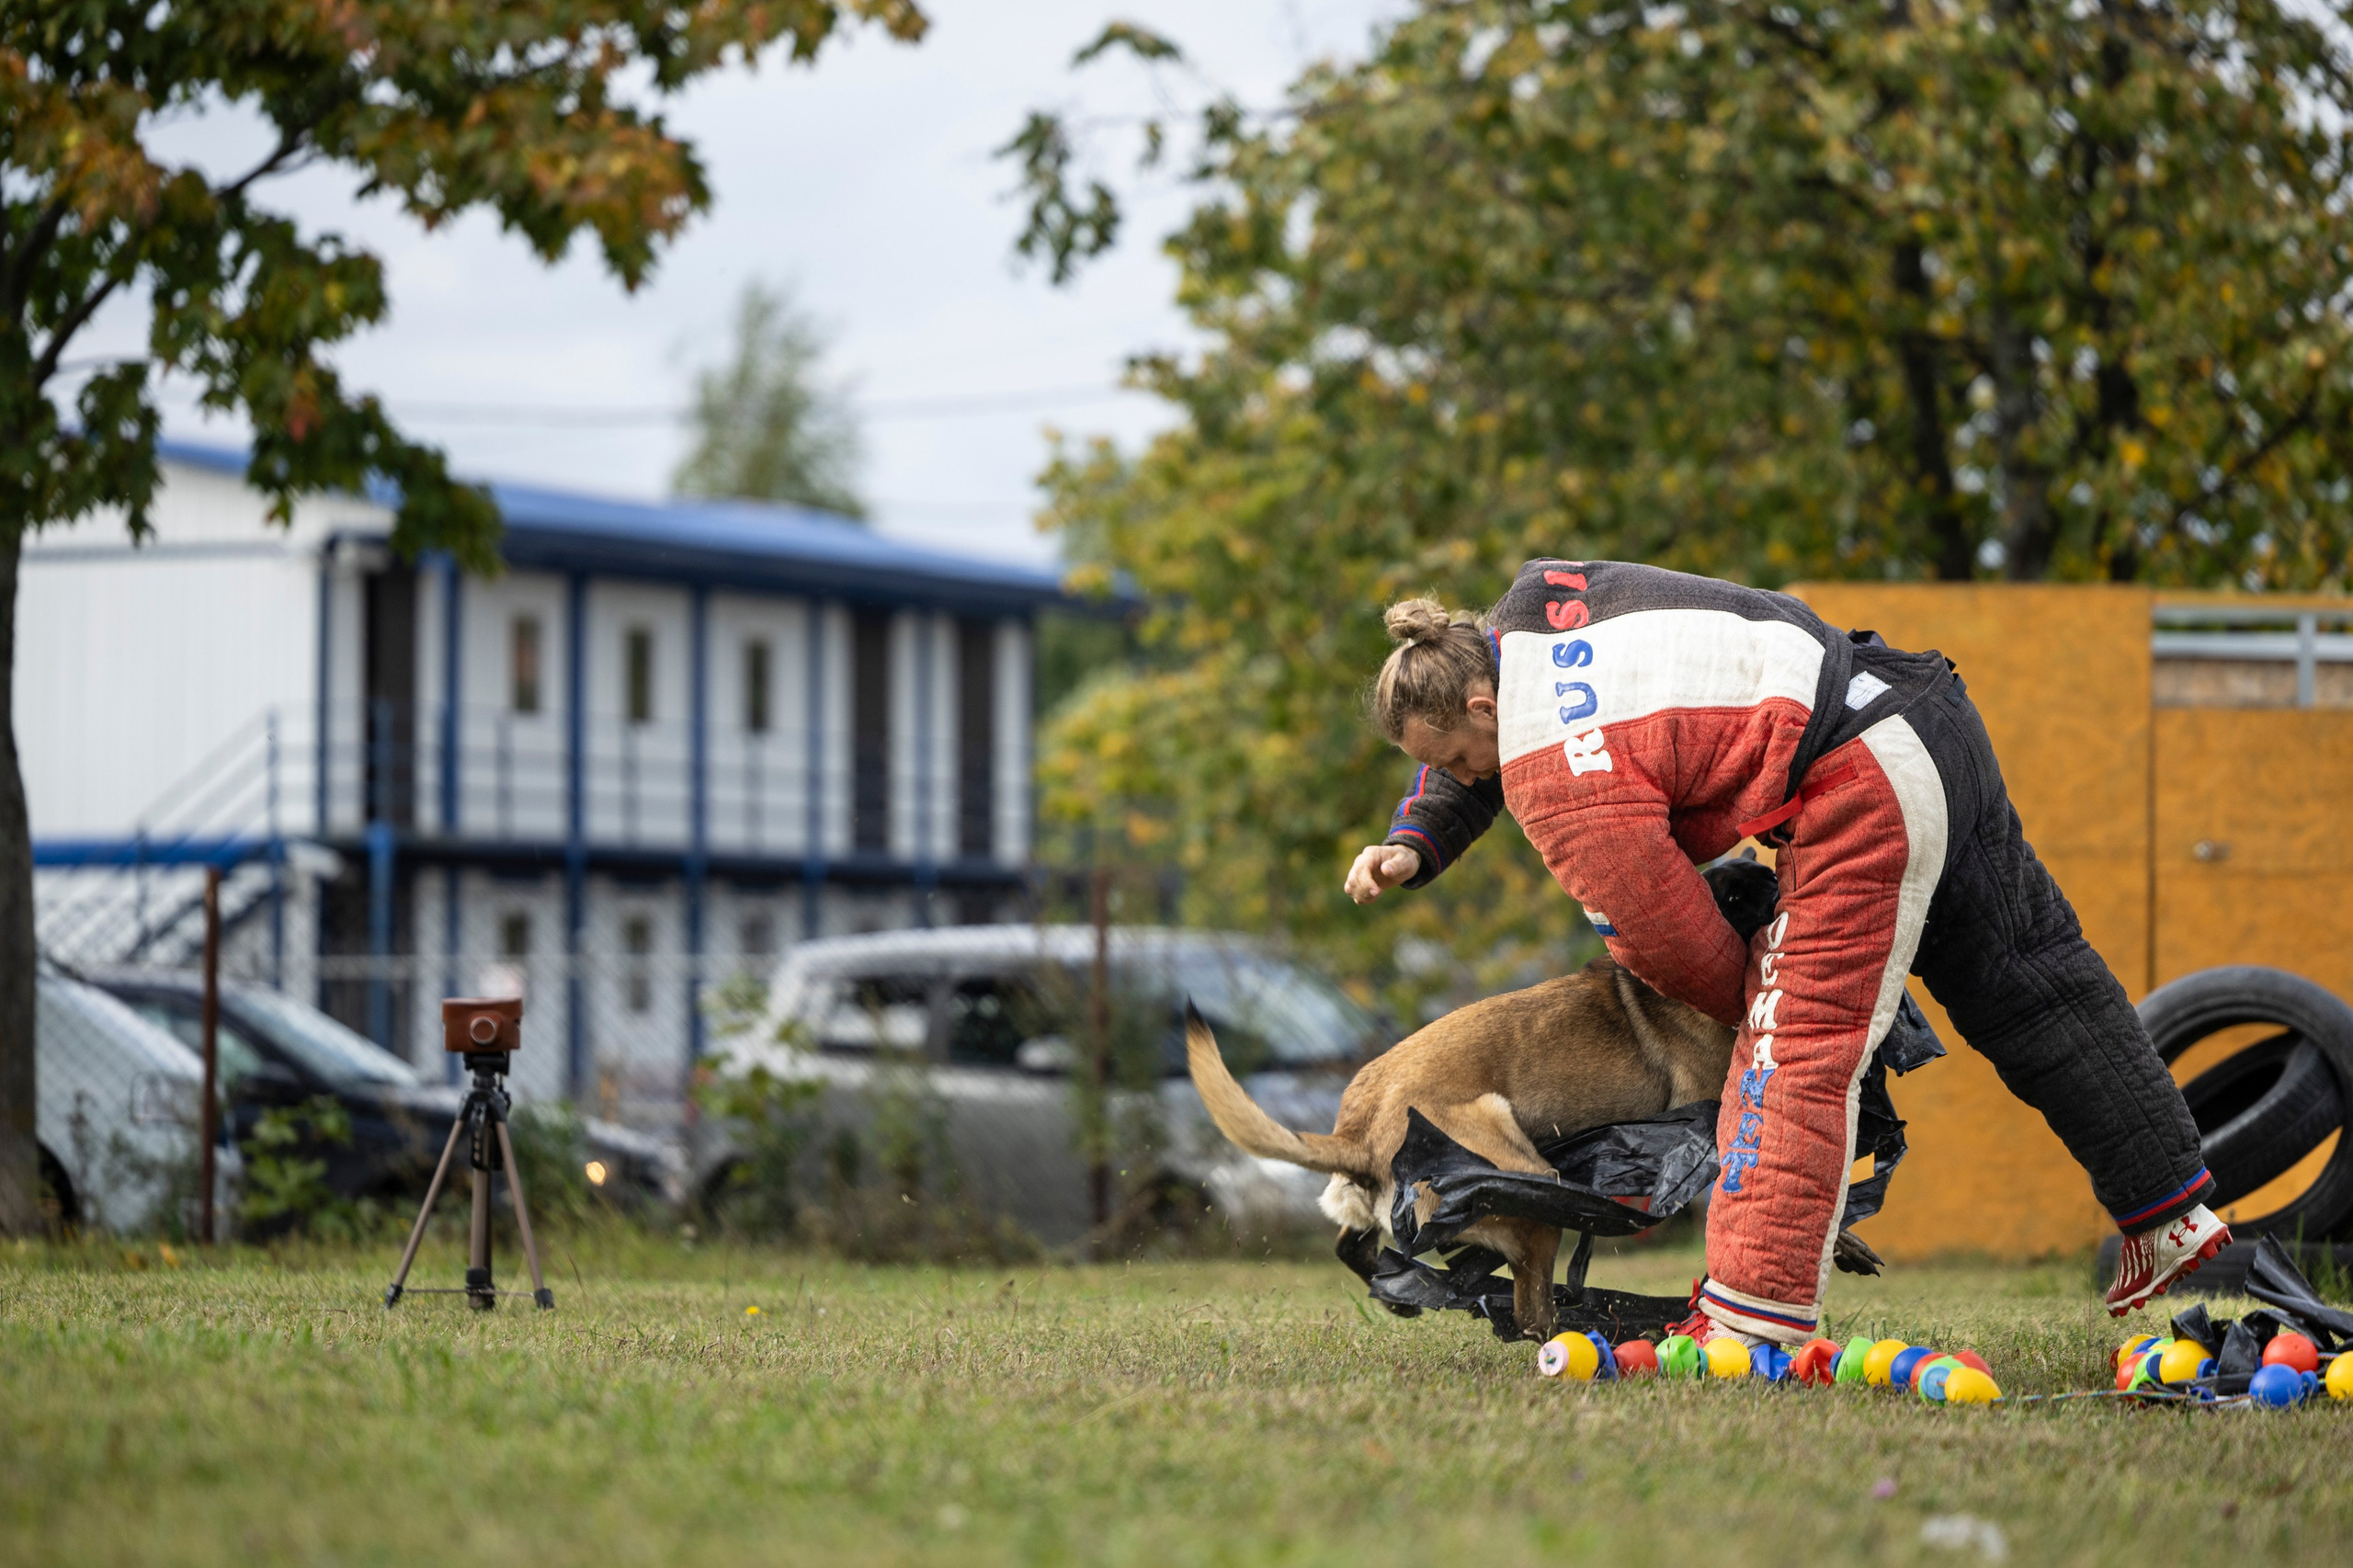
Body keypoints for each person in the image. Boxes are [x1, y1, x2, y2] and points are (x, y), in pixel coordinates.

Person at [1346, 559, 2224, 1346]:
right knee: (2034, 981)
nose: (1466, 779)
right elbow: (1501, 735)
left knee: (1793, 1048)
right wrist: (1417, 838)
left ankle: (1747, 1318)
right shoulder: (1535, 606)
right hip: (1921, 711)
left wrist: (1758, 1007)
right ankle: (2169, 1212)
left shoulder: (1552, 779)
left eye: (1456, 762)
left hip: (1855, 781)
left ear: (1482, 708)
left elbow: (1667, 941)